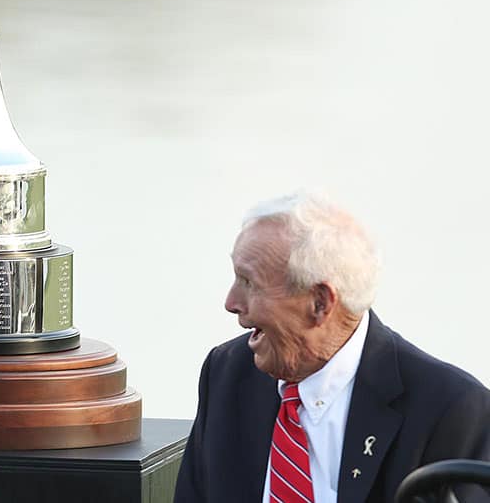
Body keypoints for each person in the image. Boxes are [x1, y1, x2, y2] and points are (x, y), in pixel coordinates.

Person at [174, 193, 490, 503]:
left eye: (249, 283)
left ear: (320, 303)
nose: (231, 303)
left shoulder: (451, 410)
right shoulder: (227, 373)